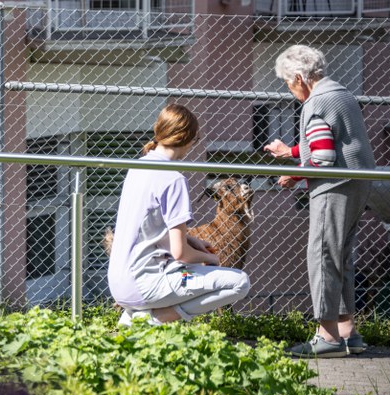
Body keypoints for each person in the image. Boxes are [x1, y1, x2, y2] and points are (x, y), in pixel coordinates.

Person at [263, 45, 374, 358]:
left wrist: (293, 176)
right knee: (341, 257)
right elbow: (333, 140)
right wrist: (293, 152)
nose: (289, 88)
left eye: (288, 82)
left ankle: (327, 336)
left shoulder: (316, 102)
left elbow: (324, 158)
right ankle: (348, 331)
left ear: (300, 78)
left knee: (323, 256)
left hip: (334, 186)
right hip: (358, 182)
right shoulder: (342, 94)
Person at [108, 104, 251, 326]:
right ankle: (152, 318)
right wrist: (211, 258)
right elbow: (181, 254)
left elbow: (150, 227)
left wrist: (193, 240)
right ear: (188, 138)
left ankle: (131, 315)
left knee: (189, 272)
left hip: (118, 283)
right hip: (144, 284)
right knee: (239, 282)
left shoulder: (138, 166)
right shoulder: (173, 179)